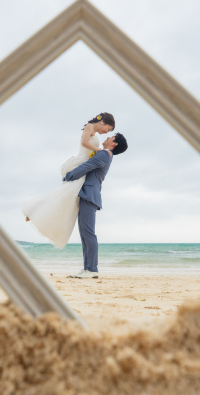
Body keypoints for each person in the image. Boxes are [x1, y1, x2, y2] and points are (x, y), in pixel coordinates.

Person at [22, 113, 116, 249]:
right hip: (79, 164)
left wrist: (99, 152)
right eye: (108, 128)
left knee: (66, 195)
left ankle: (35, 210)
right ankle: (33, 209)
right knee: (66, 194)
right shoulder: (89, 127)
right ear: (102, 122)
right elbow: (84, 143)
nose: (107, 132)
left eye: (109, 132)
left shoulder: (95, 135)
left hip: (83, 165)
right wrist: (99, 150)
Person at [63, 132, 128, 279]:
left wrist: (68, 176)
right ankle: (87, 268)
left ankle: (92, 269)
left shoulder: (105, 155)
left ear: (114, 143)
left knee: (88, 234)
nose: (108, 137)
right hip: (88, 194)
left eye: (111, 137)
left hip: (89, 195)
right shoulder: (105, 154)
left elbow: (87, 166)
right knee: (85, 235)